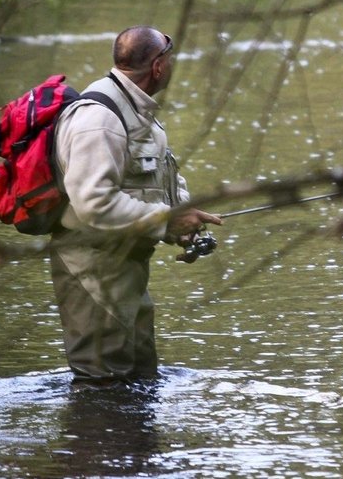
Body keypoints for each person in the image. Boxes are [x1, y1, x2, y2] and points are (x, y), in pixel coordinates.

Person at [50, 25, 221, 382]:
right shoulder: (100, 120)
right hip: (93, 275)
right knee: (104, 387)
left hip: (126, 271)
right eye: (170, 59)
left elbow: (158, 180)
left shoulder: (139, 112)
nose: (172, 66)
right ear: (158, 66)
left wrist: (183, 220)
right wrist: (167, 223)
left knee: (141, 381)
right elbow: (93, 203)